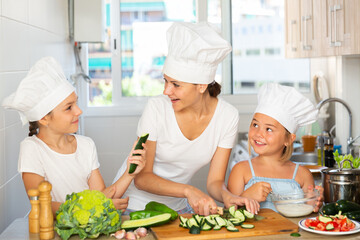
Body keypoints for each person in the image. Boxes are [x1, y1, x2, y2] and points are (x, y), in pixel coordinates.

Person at [114, 22, 260, 216]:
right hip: (135, 206)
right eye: (165, 81)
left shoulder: (227, 116)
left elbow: (215, 182)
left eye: (175, 84)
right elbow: (142, 179)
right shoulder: (157, 108)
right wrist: (188, 190)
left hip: (179, 208)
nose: (166, 91)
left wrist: (227, 196)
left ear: (201, 86)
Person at [2, 57, 147, 215]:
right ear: (44, 118)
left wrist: (130, 172)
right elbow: (42, 205)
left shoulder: (86, 145)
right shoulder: (32, 148)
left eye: (76, 103)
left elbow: (101, 196)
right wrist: (91, 207)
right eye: (68, 107)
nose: (79, 111)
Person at [228, 83, 324, 212]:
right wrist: (246, 197)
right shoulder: (240, 171)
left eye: (269, 129)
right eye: (255, 125)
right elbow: (229, 215)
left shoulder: (303, 175)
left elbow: (307, 217)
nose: (258, 133)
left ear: (288, 139)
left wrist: (314, 203)